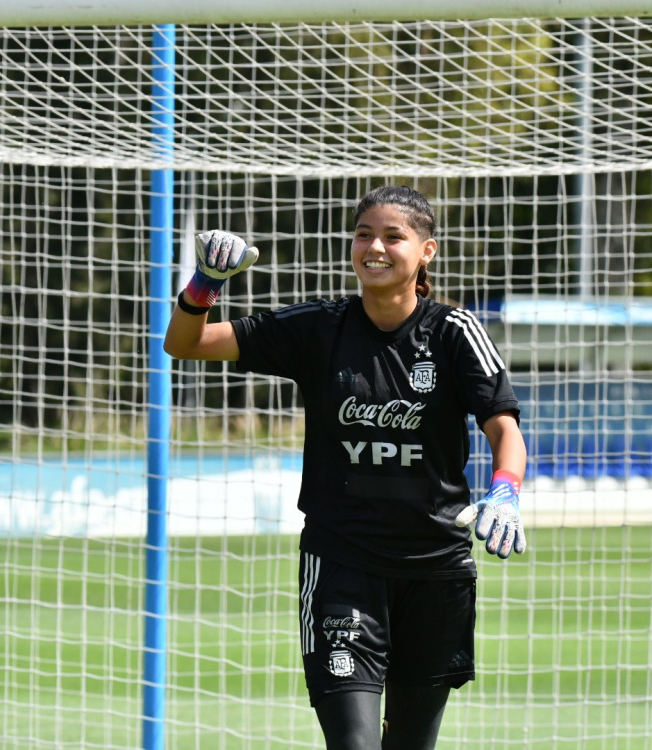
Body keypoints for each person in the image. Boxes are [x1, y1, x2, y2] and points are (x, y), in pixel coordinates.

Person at [164, 185, 527, 750]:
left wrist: (505, 490)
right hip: (342, 566)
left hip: (435, 570)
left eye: (392, 236)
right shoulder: (319, 327)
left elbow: (504, 429)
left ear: (426, 251)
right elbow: (186, 344)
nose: (374, 247)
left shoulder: (454, 332)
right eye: (363, 235)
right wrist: (204, 285)